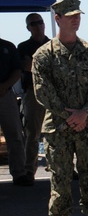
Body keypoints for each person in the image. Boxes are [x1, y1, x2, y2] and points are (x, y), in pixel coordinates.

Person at [31, 0, 88, 216]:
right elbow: (42, 91)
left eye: (78, 15)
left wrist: (84, 113)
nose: (76, 19)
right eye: (70, 15)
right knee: (60, 177)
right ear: (58, 19)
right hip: (58, 127)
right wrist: (70, 115)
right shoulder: (44, 55)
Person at [18, 13, 50, 182]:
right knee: (32, 134)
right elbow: (25, 67)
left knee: (56, 133)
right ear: (28, 27)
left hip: (53, 94)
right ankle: (29, 170)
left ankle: (60, 168)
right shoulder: (23, 47)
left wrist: (35, 67)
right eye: (34, 24)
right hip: (33, 93)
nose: (38, 26)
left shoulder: (52, 44)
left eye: (40, 22)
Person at [0, 31, 29, 186]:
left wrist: (5, 86)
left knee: (15, 135)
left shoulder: (8, 46)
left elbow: (18, 70)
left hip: (5, 95)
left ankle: (19, 173)